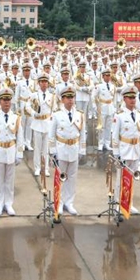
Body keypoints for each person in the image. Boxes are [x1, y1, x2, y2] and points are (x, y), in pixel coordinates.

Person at [49, 86, 86, 219]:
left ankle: (69, 202)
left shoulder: (80, 114)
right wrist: (52, 152)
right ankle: (58, 203)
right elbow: (51, 134)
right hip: (61, 149)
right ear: (62, 99)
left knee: (72, 178)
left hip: (74, 149)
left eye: (72, 97)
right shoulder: (57, 114)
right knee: (60, 178)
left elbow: (83, 134)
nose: (70, 100)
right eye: (68, 98)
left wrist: (82, 149)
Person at [0, 87, 23, 216]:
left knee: (10, 180)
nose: (6, 103)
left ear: (11, 101)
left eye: (8, 100)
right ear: (0, 102)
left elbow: (20, 137)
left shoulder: (16, 118)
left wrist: (19, 154)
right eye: (4, 100)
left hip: (11, 151)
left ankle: (9, 203)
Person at [111, 85, 140, 214]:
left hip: (135, 150)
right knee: (121, 179)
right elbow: (114, 136)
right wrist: (116, 154)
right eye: (130, 98)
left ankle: (129, 202)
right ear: (124, 99)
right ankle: (118, 203)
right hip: (124, 150)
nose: (132, 100)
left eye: (134, 97)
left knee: (131, 178)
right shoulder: (119, 115)